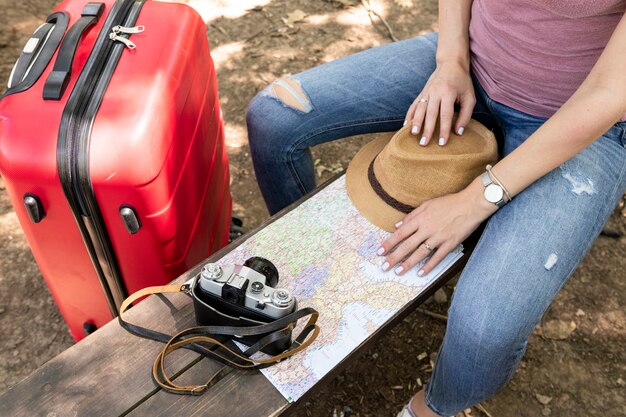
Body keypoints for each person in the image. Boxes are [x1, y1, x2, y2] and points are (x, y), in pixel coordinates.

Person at [246, 0, 626, 415]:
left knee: (486, 331)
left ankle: (432, 408)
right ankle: (306, 262)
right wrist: (450, 62)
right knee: (274, 116)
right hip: (472, 62)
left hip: (587, 124)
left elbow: (608, 93)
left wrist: (476, 199)